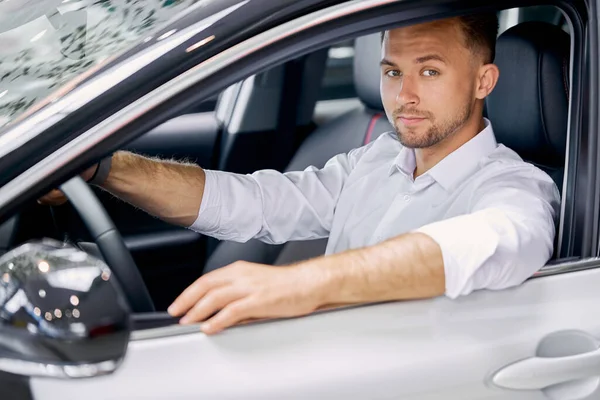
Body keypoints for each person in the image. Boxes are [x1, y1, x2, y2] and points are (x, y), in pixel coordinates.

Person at [41, 13, 560, 335]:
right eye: (391, 72)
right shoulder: (376, 159)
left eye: (429, 71)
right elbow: (253, 202)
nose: (403, 96)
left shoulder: (514, 186)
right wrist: (104, 166)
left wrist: (299, 284)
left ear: (483, 81)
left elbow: (486, 243)